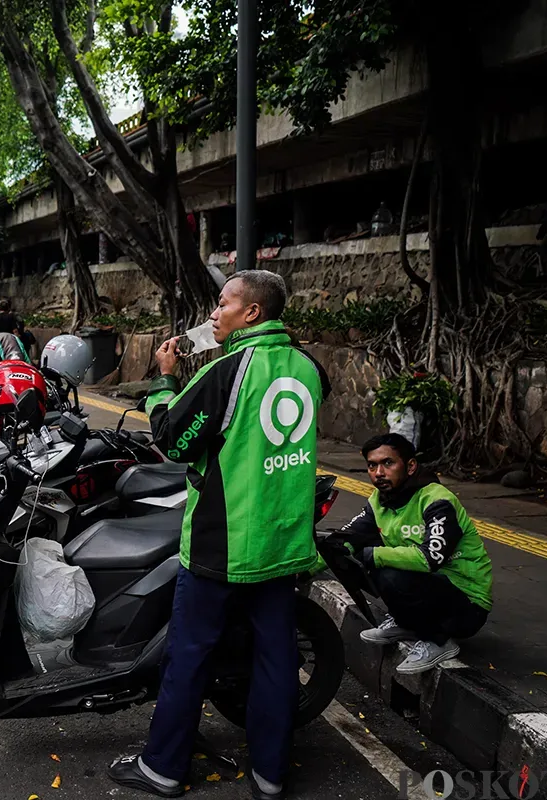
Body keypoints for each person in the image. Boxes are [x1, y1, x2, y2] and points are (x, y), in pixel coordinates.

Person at [108, 270, 328, 800]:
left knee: (189, 655)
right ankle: (271, 776)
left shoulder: (229, 370)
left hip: (222, 543)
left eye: (223, 303)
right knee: (277, 660)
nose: (214, 313)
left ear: (251, 312)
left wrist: (165, 380)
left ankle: (162, 768)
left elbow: (173, 439)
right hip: (283, 543)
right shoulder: (309, 367)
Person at [325, 433, 492, 674]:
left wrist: (376, 555)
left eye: (388, 463)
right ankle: (407, 622)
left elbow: (430, 558)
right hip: (433, 590)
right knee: (358, 556)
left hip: (467, 604)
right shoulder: (379, 501)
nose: (379, 472)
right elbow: (347, 538)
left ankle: (438, 641)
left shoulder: (437, 500)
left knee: (385, 569)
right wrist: (303, 568)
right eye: (372, 465)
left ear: (411, 466)